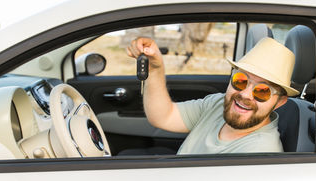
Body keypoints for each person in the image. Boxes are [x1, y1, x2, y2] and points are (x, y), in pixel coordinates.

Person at [126, 37, 300, 154]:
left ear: (279, 102)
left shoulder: (259, 153)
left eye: (263, 91)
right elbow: (164, 116)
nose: (245, 94)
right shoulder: (217, 104)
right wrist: (155, 68)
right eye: (240, 80)